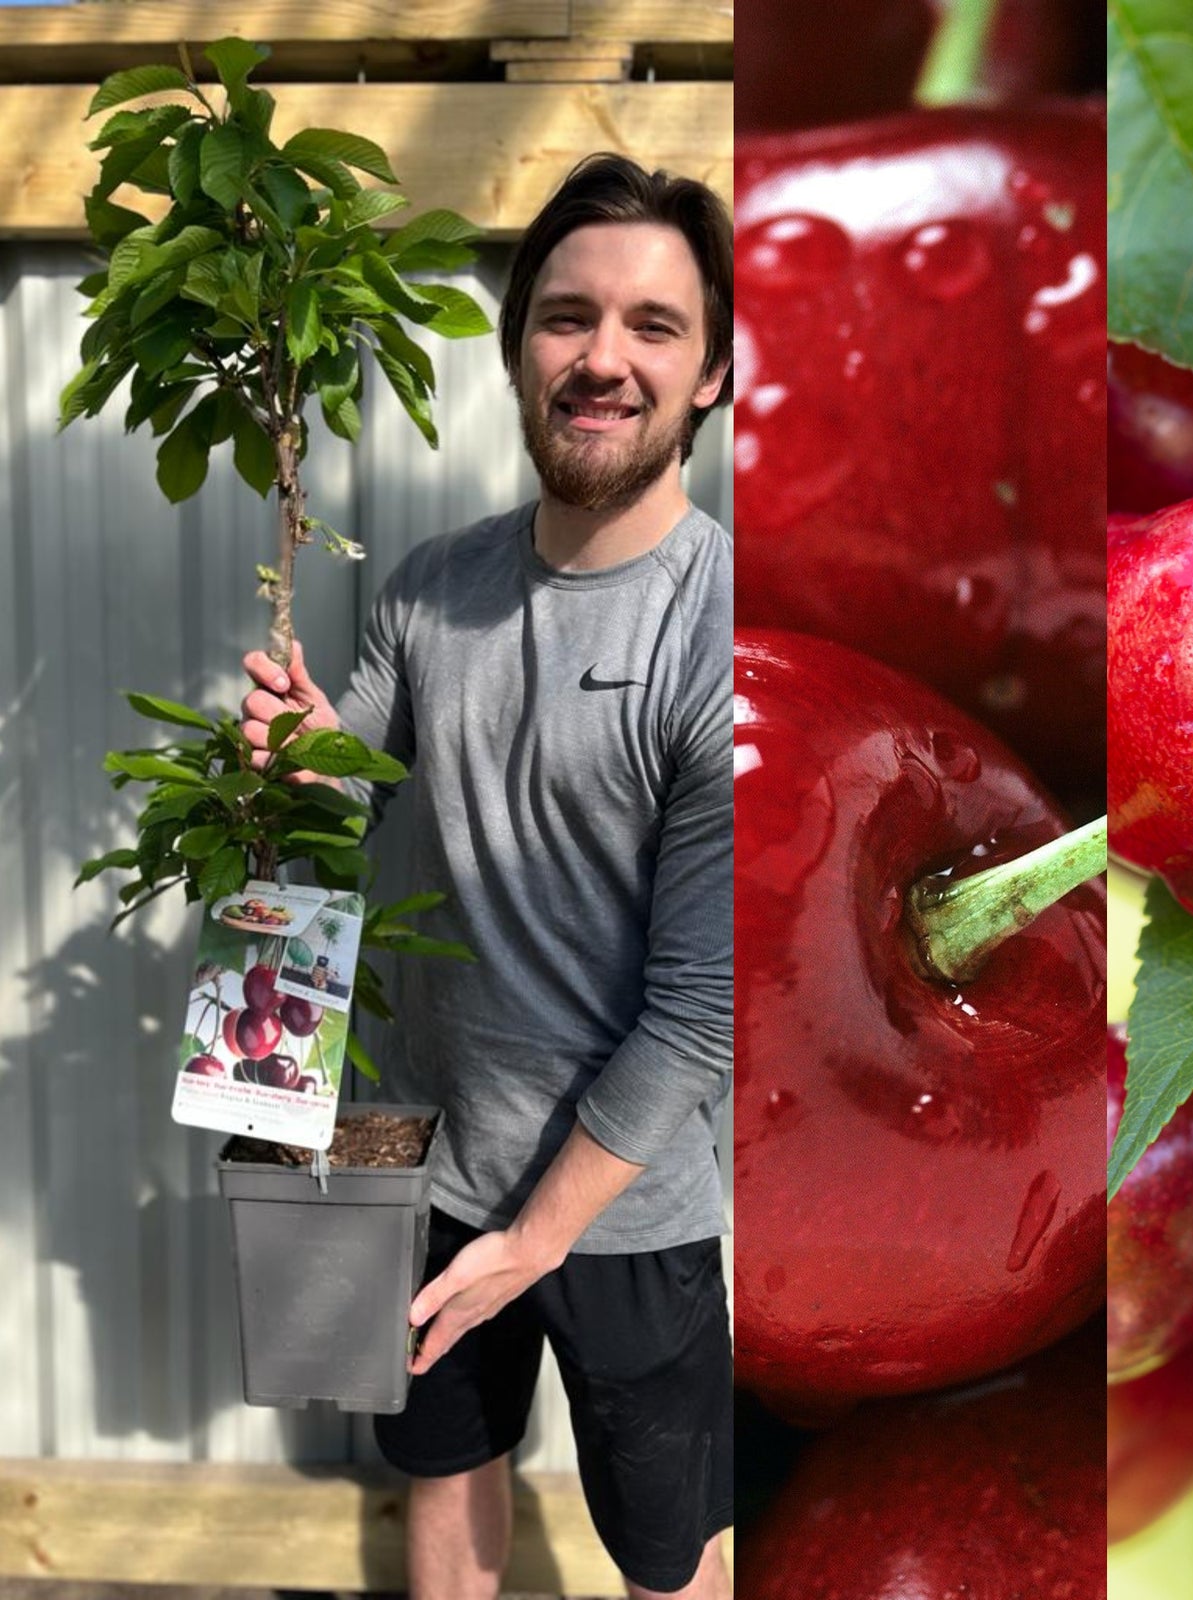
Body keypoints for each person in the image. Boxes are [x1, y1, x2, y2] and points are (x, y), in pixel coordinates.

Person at [240, 152, 734, 1600]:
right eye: (568, 317)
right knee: (444, 1488)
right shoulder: (426, 588)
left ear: (710, 376)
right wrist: (302, 755)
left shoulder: (721, 642)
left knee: (671, 1556)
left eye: (653, 326)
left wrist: (537, 1238)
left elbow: (695, 1020)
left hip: (626, 1202)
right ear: (520, 351)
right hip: (429, 1161)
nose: (603, 357)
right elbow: (363, 783)